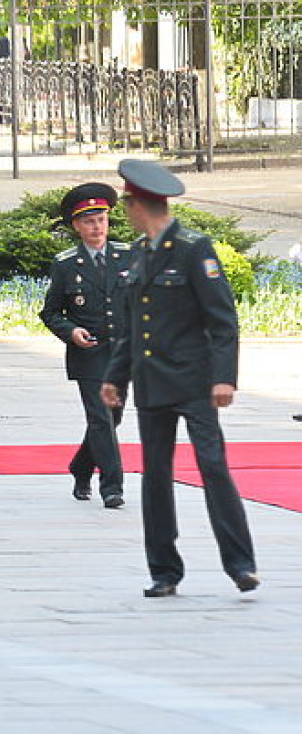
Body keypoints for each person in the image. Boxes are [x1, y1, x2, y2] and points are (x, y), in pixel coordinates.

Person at [101, 159, 258, 597]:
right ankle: (164, 571)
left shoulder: (193, 249)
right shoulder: (138, 253)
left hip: (195, 380)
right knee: (155, 475)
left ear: (140, 204)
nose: (125, 212)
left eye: (127, 203)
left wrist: (224, 378)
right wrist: (117, 378)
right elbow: (133, 327)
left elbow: (223, 320)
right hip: (152, 382)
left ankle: (240, 564)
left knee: (212, 466)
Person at [39, 183, 129, 509]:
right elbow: (50, 312)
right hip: (88, 352)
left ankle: (80, 466)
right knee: (101, 418)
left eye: (101, 219)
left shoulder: (129, 257)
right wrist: (71, 330)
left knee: (113, 418)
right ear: (76, 226)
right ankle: (112, 487)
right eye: (89, 221)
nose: (97, 227)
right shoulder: (66, 264)